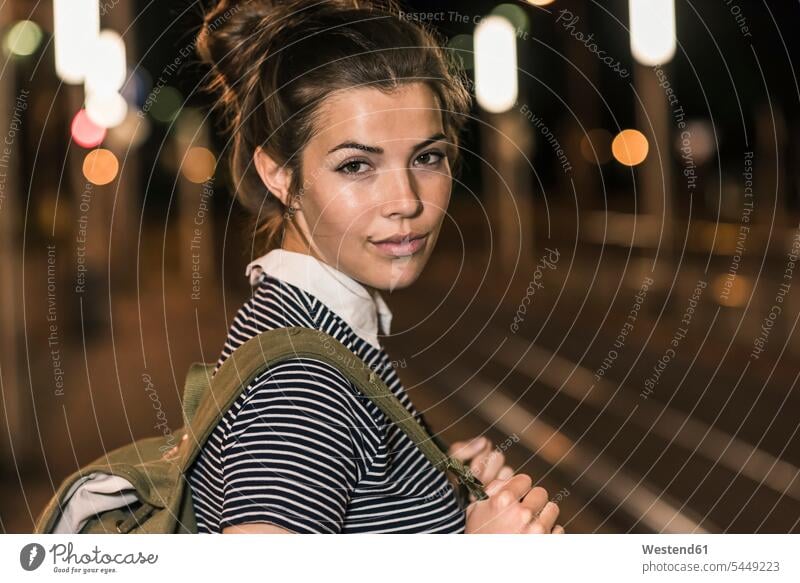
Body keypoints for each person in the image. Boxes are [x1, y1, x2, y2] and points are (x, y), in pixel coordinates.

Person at [185, 0, 565, 534]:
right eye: (356, 165)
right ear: (278, 173)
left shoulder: (320, 326)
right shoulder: (300, 382)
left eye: (427, 157)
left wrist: (423, 492)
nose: (405, 200)